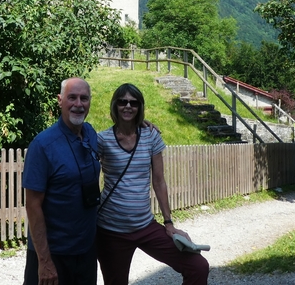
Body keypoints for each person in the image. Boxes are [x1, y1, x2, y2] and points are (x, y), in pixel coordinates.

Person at [96, 83, 210, 285]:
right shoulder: (102, 140)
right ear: (115, 106)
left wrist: (168, 223)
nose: (128, 106)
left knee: (197, 266)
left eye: (134, 103)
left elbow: (159, 180)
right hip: (111, 230)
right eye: (123, 102)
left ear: (140, 106)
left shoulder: (150, 136)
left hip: (145, 226)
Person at [23, 77, 100, 285]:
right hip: (54, 253)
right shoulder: (42, 145)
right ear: (60, 100)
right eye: (72, 97)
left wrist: (140, 125)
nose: (78, 104)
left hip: (85, 251)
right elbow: (32, 205)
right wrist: (45, 261)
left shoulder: (91, 134)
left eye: (84, 98)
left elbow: (121, 138)